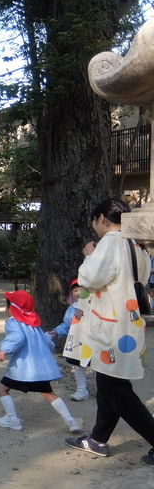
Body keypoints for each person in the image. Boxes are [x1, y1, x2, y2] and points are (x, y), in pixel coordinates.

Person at [62, 197, 154, 466]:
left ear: (102, 218)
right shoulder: (137, 244)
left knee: (117, 391)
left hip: (111, 326)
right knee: (108, 384)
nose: (94, 227)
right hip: (128, 323)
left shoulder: (111, 242)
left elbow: (90, 279)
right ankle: (98, 439)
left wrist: (89, 256)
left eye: (94, 222)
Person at [0, 290, 82, 433]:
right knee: (49, 394)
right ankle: (70, 420)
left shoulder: (12, 322)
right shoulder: (34, 324)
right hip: (39, 370)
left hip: (22, 369)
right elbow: (47, 342)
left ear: (12, 308)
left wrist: (4, 349)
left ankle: (12, 419)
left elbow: (17, 338)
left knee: (2, 388)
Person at [47, 280, 90, 401]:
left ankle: (104, 392)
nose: (78, 293)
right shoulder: (72, 309)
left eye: (81, 290)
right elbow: (66, 325)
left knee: (98, 367)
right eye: (75, 290)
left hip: (93, 341)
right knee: (78, 366)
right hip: (77, 342)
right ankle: (82, 390)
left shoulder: (95, 307)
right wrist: (56, 332)